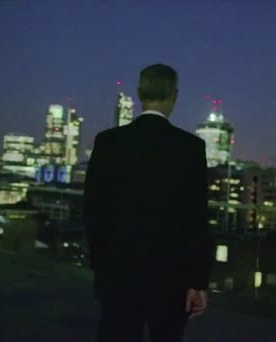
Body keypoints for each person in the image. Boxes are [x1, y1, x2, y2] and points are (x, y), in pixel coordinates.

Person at [84, 63, 213, 341]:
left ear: (140, 93)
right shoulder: (189, 147)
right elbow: (197, 219)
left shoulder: (108, 142)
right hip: (170, 277)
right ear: (174, 96)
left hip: (117, 271)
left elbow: (92, 209)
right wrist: (198, 282)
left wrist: (101, 263)